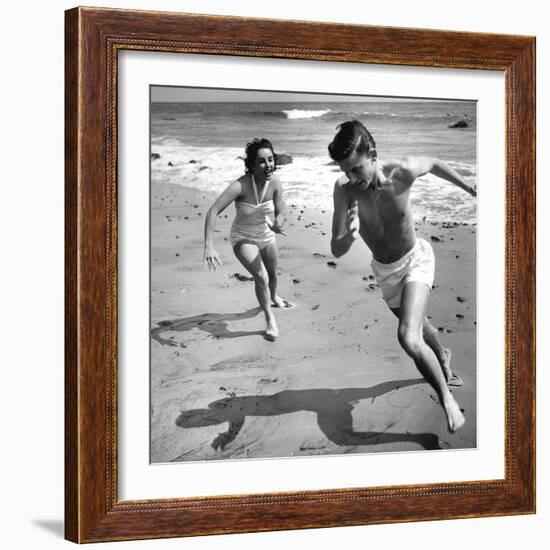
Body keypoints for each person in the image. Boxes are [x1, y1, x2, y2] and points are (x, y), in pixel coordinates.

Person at [328, 120, 477, 433]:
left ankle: (446, 398)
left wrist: (469, 188)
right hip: (386, 273)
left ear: (373, 155)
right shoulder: (344, 191)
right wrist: (349, 236)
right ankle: (443, 353)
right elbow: (336, 249)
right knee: (420, 327)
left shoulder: (402, 173)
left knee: (408, 336)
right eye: (345, 171)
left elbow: (434, 164)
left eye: (356, 168)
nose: (351, 177)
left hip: (416, 260)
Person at [203, 138, 290, 341]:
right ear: (252, 164)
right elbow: (213, 211)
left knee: (273, 276)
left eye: (270, 159)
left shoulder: (275, 181)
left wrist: (279, 221)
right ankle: (270, 320)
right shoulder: (240, 186)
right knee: (262, 278)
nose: (268, 165)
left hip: (266, 236)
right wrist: (209, 245)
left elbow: (281, 209)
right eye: (261, 161)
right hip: (243, 238)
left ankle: (274, 297)